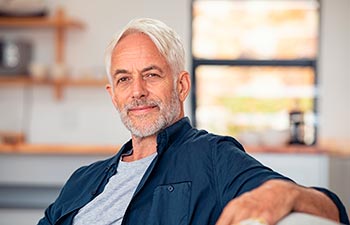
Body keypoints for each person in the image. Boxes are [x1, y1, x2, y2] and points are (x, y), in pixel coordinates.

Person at [38, 18, 349, 225]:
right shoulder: (82, 179)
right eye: (123, 79)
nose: (137, 91)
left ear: (182, 86)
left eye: (151, 74)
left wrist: (287, 193)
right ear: (113, 95)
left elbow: (335, 211)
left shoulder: (212, 156)